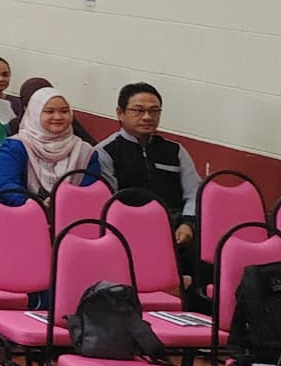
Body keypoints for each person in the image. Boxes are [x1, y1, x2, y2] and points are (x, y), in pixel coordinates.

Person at [84, 83, 202, 247]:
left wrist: (188, 223)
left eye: (154, 111)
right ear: (120, 113)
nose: (147, 117)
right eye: (138, 111)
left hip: (174, 228)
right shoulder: (105, 152)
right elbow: (107, 201)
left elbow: (194, 192)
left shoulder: (175, 151)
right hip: (127, 229)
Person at [0, 86, 96, 200]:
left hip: (74, 208)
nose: (58, 117)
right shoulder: (15, 147)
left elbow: (92, 190)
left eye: (64, 111)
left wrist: (65, 203)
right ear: (35, 114)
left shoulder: (84, 151)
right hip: (26, 208)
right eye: (49, 111)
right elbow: (6, 186)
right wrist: (33, 203)